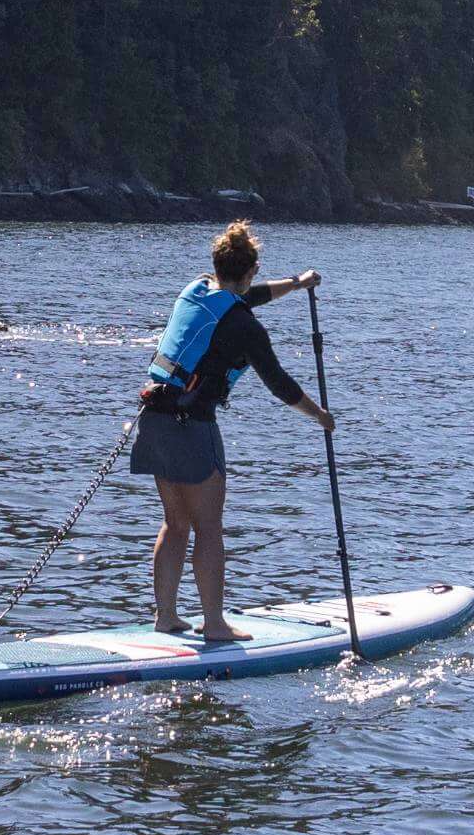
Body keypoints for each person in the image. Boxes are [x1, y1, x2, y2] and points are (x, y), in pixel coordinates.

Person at [131, 219, 333, 645]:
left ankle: (165, 616)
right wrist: (320, 417)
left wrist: (296, 284)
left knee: (175, 524)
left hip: (156, 418)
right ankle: (216, 624)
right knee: (208, 528)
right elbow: (280, 384)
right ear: (250, 270)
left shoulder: (197, 289)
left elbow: (246, 297)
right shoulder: (246, 328)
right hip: (193, 427)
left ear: (217, 265)